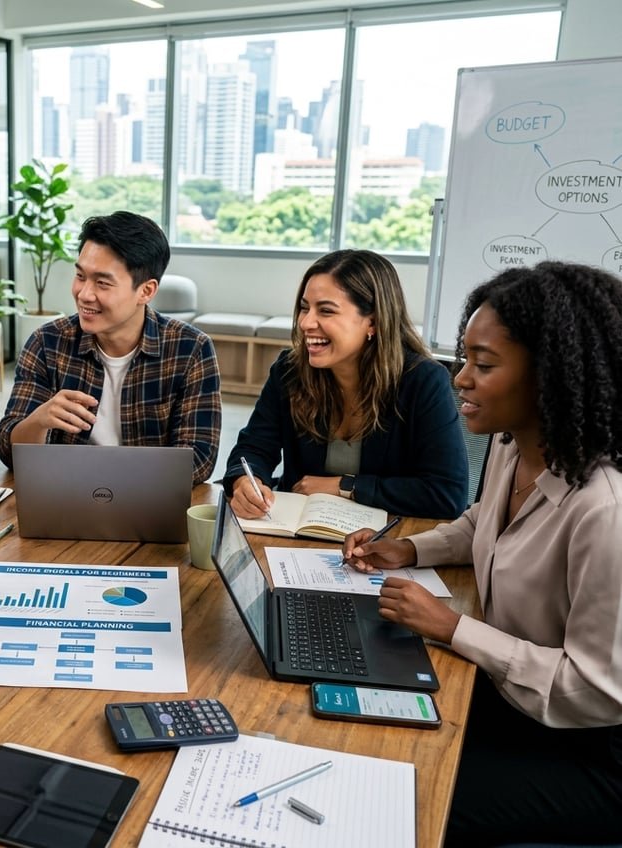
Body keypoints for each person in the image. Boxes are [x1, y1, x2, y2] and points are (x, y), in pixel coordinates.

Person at [344, 261, 622, 846]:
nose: (460, 379)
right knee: (362, 735)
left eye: (484, 364)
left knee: (399, 801)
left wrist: (452, 628)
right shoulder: (511, 443)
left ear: (550, 376)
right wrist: (409, 548)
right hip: (511, 698)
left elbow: (596, 691)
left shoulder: (605, 510)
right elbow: (480, 525)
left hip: (590, 749)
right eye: (464, 357)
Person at [225, 249, 468, 520]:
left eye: (326, 311)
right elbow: (253, 449)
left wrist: (345, 487)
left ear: (372, 322)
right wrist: (246, 482)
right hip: (296, 533)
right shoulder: (289, 370)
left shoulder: (422, 380)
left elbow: (447, 494)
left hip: (383, 541)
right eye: (305, 308)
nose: (305, 322)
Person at [0, 211, 221, 485]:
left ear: (146, 291)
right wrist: (39, 420)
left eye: (102, 283)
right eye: (80, 276)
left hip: (147, 502)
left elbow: (198, 460)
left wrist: (109, 482)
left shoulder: (190, 349)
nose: (84, 294)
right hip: (64, 496)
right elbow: (10, 451)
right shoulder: (47, 342)